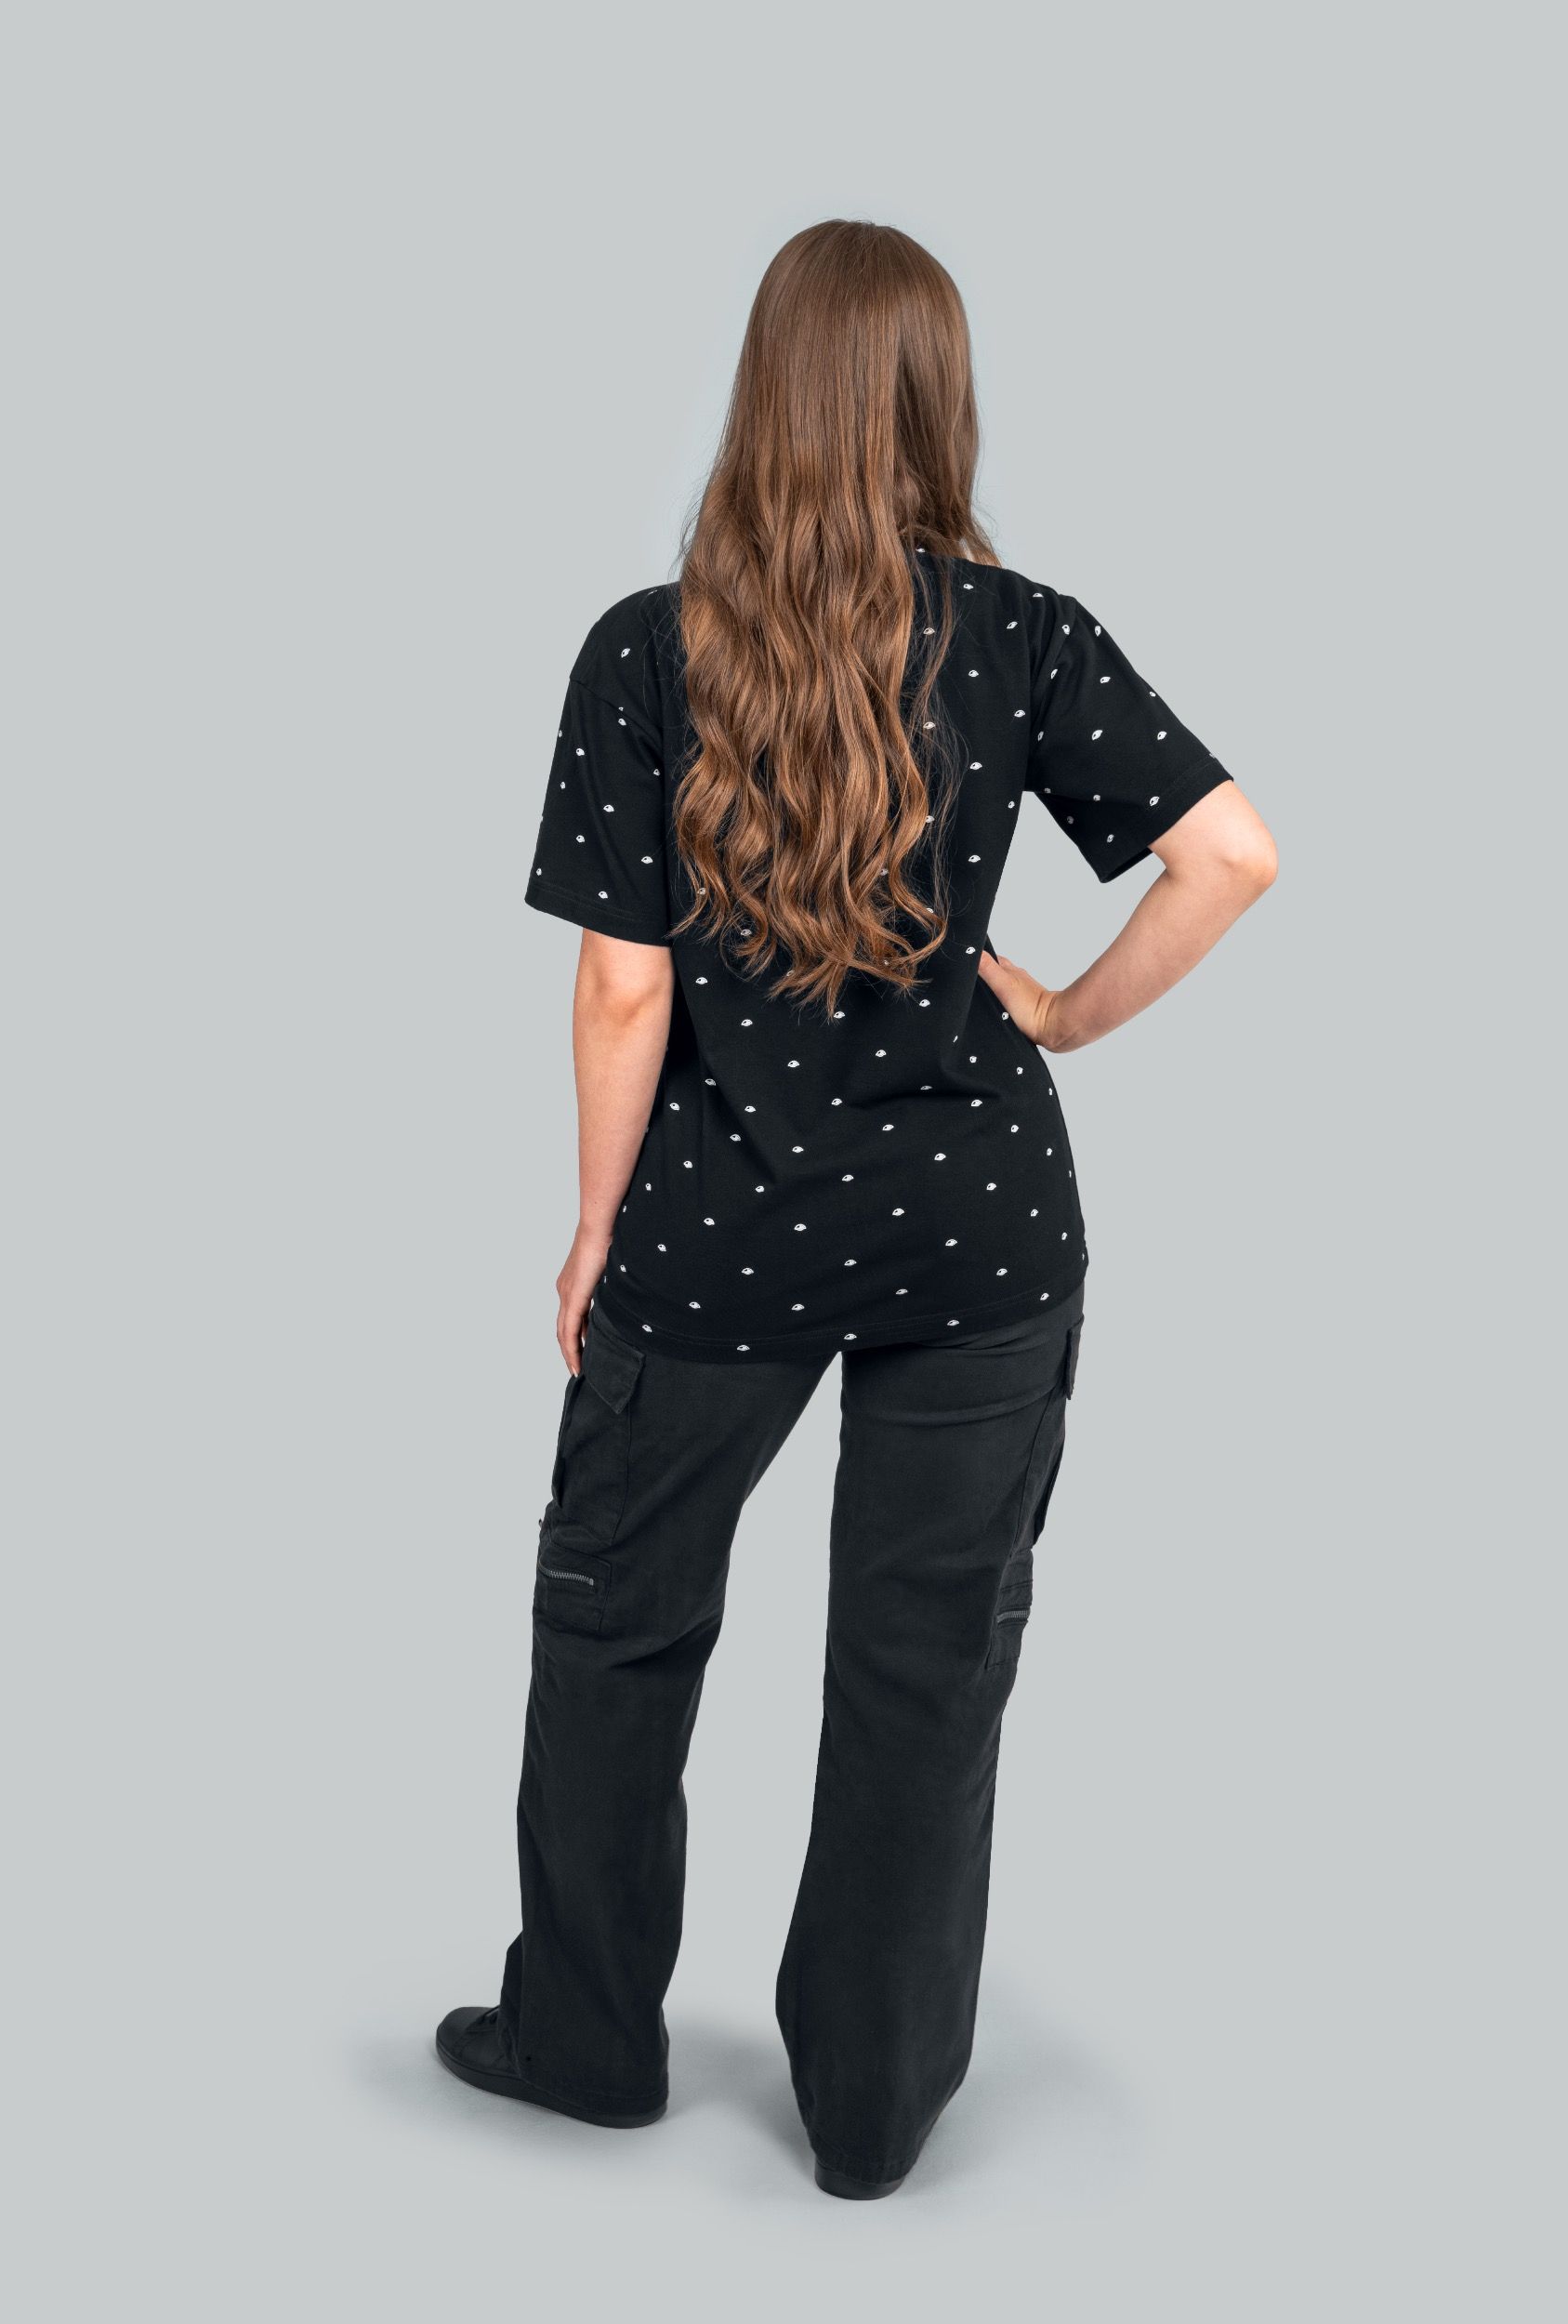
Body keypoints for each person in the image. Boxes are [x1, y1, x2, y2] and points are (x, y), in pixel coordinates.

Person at [437, 219, 1276, 2199]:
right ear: (932, 399)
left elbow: (624, 985)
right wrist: (1060, 1014)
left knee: (617, 1626)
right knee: (926, 1669)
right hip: (980, 1235)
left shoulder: (647, 649)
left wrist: (591, 1221)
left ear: (768, 393)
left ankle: (584, 2042)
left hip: (717, 1227)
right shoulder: (1027, 635)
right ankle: (874, 2110)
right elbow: (1232, 854)